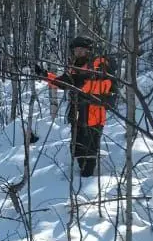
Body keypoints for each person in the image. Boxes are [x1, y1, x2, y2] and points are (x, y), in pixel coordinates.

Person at [35, 36, 113, 177]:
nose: (78, 53)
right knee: (77, 145)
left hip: (94, 112)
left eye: (81, 50)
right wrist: (45, 76)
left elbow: (107, 85)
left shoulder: (99, 63)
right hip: (77, 111)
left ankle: (87, 178)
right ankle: (80, 172)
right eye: (76, 50)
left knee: (90, 146)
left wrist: (83, 86)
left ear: (89, 50)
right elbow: (63, 82)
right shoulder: (75, 67)